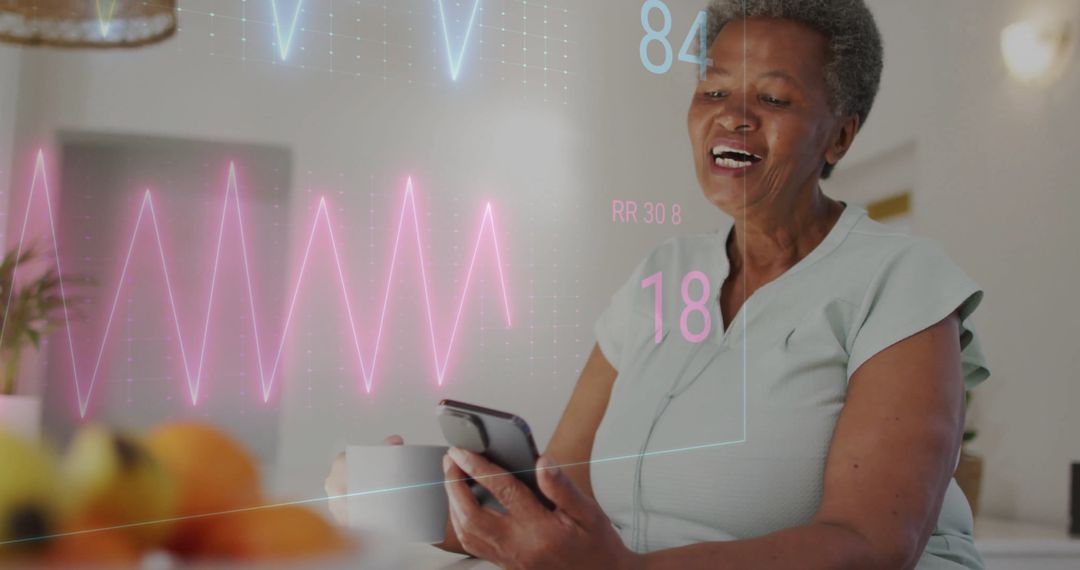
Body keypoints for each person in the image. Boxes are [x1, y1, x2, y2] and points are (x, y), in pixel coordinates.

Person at [326, 1, 990, 568]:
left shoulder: (900, 282)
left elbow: (872, 543)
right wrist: (412, 495)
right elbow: (560, 499)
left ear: (839, 137)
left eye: (775, 98)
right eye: (713, 89)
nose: (733, 115)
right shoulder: (662, 276)